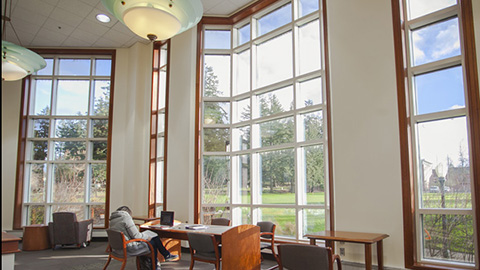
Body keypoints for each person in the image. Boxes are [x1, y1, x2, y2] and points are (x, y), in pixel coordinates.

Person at [109, 206, 178, 270]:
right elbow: (137, 236)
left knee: (152, 238)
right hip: (129, 248)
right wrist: (148, 237)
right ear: (128, 213)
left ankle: (157, 261)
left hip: (118, 249)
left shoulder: (112, 220)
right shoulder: (126, 218)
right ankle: (157, 265)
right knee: (153, 242)